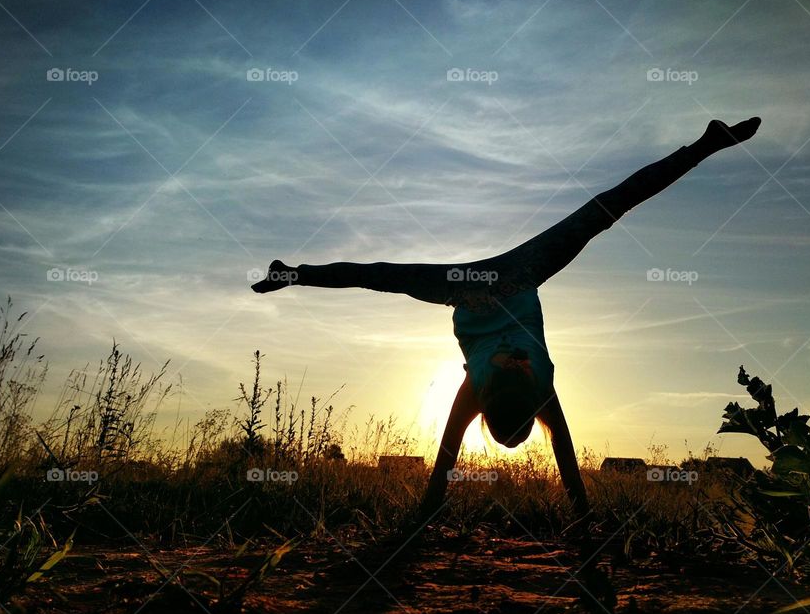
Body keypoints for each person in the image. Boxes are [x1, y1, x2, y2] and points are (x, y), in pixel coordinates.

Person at [252, 116, 762, 524]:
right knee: (605, 209)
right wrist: (581, 519)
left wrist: (430, 514)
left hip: (497, 278)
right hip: (493, 279)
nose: (512, 366)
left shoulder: (514, 392)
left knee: (605, 209)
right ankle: (290, 273)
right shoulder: (497, 390)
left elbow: (469, 470)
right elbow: (538, 467)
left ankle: (292, 273)